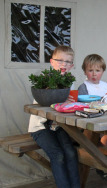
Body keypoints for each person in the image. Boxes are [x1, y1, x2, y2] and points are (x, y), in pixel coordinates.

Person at [28, 46, 80, 188]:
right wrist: (61, 101)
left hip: (59, 126)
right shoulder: (45, 80)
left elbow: (70, 104)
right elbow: (45, 106)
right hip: (40, 127)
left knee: (70, 152)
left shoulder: (70, 82)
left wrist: (73, 103)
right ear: (51, 62)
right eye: (60, 60)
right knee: (58, 155)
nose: (64, 64)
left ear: (72, 65)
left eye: (68, 62)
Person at [78, 54, 107, 179]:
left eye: (97, 71)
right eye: (90, 70)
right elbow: (82, 107)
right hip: (91, 121)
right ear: (85, 71)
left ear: (103, 71)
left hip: (106, 117)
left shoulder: (105, 86)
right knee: (105, 132)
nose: (94, 74)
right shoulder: (83, 87)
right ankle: (102, 160)